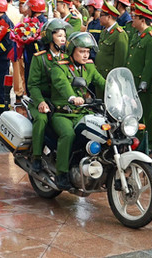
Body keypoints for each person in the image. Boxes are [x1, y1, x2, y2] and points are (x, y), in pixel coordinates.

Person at [48, 32, 106, 189]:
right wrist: (72, 97)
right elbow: (62, 85)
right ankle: (61, 173)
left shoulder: (89, 67)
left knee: (101, 128)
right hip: (63, 113)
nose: (86, 55)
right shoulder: (59, 67)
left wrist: (118, 92)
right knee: (68, 134)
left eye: (87, 51)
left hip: (83, 112)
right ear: (72, 51)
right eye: (81, 51)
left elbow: (102, 82)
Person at [27, 19, 68, 171]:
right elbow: (33, 85)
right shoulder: (40, 58)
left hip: (61, 100)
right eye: (59, 36)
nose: (63, 39)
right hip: (42, 99)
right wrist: (40, 102)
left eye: (64, 36)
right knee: (41, 119)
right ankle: (37, 156)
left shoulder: (67, 57)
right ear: (50, 38)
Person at [125, 3, 152, 153]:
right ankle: (138, 141)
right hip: (133, 80)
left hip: (144, 84)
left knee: (148, 115)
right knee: (136, 114)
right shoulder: (137, 35)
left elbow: (150, 65)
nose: (132, 19)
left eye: (135, 17)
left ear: (142, 20)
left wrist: (144, 82)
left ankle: (151, 143)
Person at [95, 1, 129, 79]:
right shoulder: (105, 32)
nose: (99, 18)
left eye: (101, 15)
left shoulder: (119, 34)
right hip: (101, 74)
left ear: (109, 17)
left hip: (110, 76)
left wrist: (115, 77)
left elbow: (120, 60)